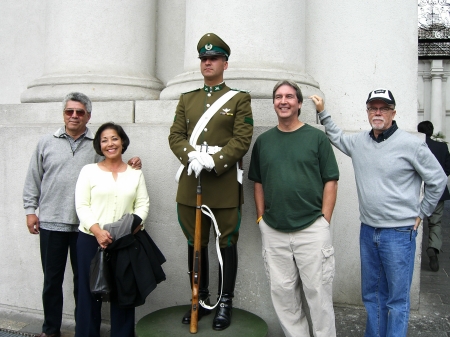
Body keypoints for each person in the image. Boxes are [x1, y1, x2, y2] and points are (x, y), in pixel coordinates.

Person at [310, 89, 447, 337]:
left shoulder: (412, 145)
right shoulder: (360, 142)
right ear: (367, 111)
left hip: (399, 234)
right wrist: (323, 113)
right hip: (368, 231)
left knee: (396, 301)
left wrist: (422, 213)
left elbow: (438, 179)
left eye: (384, 108)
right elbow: (338, 138)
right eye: (373, 108)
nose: (378, 112)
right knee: (372, 297)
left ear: (393, 112)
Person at [22, 93, 141, 337]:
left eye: (79, 112)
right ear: (64, 114)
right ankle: (51, 329)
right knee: (52, 282)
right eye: (69, 111)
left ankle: (84, 331)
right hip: (52, 223)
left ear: (88, 115)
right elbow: (34, 178)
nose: (74, 116)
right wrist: (30, 210)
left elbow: (111, 167)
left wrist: (130, 165)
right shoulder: (46, 142)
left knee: (85, 285)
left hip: (85, 228)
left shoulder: (97, 144)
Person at [168, 32, 253, 331]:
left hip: (224, 183)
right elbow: (175, 135)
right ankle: (200, 299)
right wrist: (191, 156)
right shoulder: (187, 99)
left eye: (213, 58)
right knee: (196, 244)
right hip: (192, 183)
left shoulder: (239, 99)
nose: (207, 62)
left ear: (224, 64)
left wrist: (214, 161)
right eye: (204, 59)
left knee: (226, 243)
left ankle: (224, 301)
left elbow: (242, 139)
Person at [248, 80, 339, 337]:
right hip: (274, 230)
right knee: (283, 296)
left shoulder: (317, 138)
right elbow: (258, 182)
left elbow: (330, 180)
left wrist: (325, 220)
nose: (283, 101)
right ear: (274, 103)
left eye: (289, 96)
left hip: (312, 227)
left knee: (319, 296)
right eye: (278, 96)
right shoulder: (264, 142)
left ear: (299, 103)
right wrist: (260, 218)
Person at [74, 122, 150, 337]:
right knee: (88, 295)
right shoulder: (88, 171)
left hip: (124, 242)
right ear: (99, 145)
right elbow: (82, 205)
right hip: (90, 240)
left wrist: (131, 227)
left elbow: (143, 205)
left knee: (124, 294)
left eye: (114, 138)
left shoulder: (135, 174)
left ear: (122, 141)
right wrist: (98, 231)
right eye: (104, 140)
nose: (110, 144)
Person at [417, 120, 450, 272]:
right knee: (435, 223)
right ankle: (433, 248)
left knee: (414, 221)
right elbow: (447, 168)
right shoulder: (442, 146)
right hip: (437, 191)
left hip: (416, 190)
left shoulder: (415, 146)